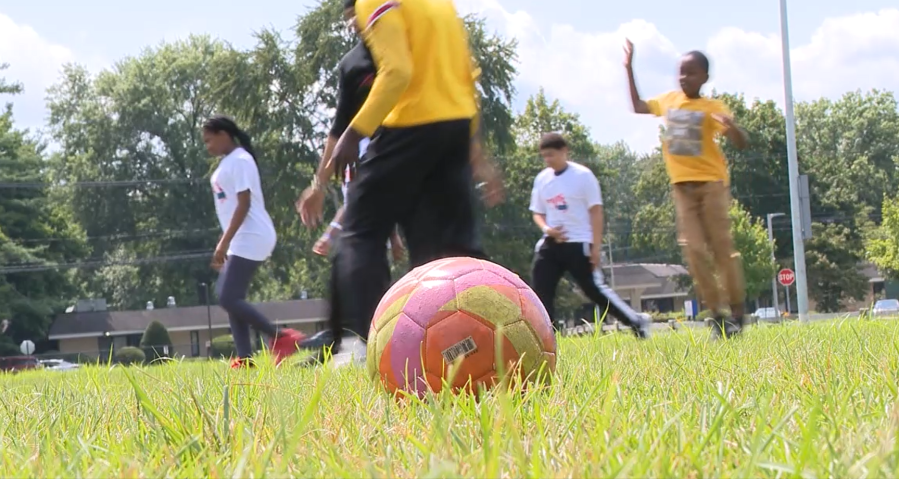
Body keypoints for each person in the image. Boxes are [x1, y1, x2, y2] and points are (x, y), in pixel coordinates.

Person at [296, 0, 504, 365]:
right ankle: (484, 339)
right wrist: (475, 152)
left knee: (359, 233)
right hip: (454, 126)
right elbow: (466, 76)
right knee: (446, 251)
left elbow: (397, 71)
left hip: (410, 123)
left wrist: (354, 134)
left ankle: (362, 348)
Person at [623, 40, 749, 339]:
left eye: (691, 73)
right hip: (682, 189)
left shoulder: (712, 108)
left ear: (704, 77)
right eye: (681, 72)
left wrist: (732, 129)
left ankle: (737, 311)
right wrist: (628, 69)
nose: (684, 78)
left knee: (722, 250)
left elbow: (742, 142)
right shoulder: (669, 100)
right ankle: (717, 315)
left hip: (712, 186)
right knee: (693, 250)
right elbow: (638, 106)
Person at [299, 31, 405, 365]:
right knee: (350, 264)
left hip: (408, 157)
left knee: (358, 261)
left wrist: (330, 232)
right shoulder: (352, 67)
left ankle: (372, 341)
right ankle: (344, 342)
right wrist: (318, 184)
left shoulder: (403, 47)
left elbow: (360, 200)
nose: (358, 23)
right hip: (366, 221)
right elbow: (358, 198)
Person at [202, 115, 305, 368]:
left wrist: (224, 243)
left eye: (209, 140)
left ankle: (281, 337)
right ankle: (245, 359)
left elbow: (244, 204)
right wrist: (224, 241)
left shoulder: (241, 160)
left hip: (253, 234)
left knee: (227, 297)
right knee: (231, 297)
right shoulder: (229, 161)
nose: (207, 147)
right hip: (240, 237)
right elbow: (229, 209)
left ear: (223, 134)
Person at [529, 132, 652, 338]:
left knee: (594, 290)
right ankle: (545, 337)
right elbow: (537, 213)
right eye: (545, 156)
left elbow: (596, 212)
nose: (548, 160)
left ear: (564, 151)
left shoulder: (583, 176)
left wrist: (596, 246)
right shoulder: (542, 179)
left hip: (579, 243)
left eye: (551, 154)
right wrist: (547, 229)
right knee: (540, 290)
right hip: (551, 243)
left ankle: (637, 321)